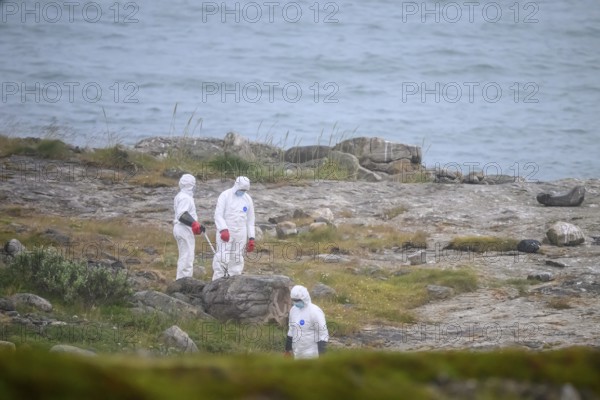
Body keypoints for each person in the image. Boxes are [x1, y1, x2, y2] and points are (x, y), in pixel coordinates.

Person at [212, 176, 256, 280]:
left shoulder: (247, 199)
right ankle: (217, 281)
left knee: (237, 258)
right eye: (241, 189)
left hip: (241, 232)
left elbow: (250, 220)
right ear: (236, 186)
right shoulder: (225, 195)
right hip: (227, 230)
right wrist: (223, 229)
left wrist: (251, 238)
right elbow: (218, 215)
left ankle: (234, 282)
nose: (242, 192)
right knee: (223, 256)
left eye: (244, 190)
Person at [173, 174, 205, 280]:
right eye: (194, 184)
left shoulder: (182, 196)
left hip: (184, 228)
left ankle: (183, 280)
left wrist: (197, 225)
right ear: (191, 185)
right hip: (183, 228)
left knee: (187, 255)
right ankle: (183, 282)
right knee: (186, 256)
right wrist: (194, 224)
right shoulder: (185, 198)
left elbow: (187, 216)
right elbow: (182, 215)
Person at [285, 285, 329, 359]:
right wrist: (287, 350)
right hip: (297, 352)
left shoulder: (315, 311)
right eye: (294, 300)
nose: (295, 302)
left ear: (304, 298)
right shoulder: (293, 310)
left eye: (298, 300)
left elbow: (323, 334)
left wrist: (322, 356)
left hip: (312, 354)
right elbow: (291, 330)